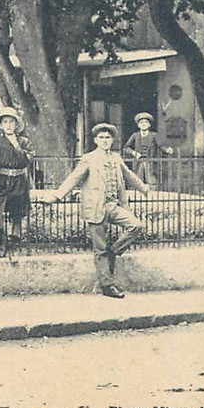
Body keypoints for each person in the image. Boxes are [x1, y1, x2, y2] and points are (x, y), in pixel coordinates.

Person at [49, 123, 150, 299]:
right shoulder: (88, 158)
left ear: (112, 140)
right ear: (96, 140)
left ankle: (114, 251)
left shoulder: (117, 158)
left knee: (136, 226)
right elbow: (74, 178)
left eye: (108, 137)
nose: (105, 140)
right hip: (95, 206)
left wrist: (144, 188)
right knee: (99, 248)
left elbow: (129, 175)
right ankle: (107, 286)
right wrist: (57, 196)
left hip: (113, 205)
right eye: (101, 137)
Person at [0, 107, 33, 258]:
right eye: (5, 122)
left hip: (19, 179)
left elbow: (26, 160)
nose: (8, 125)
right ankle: (1, 239)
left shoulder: (24, 142)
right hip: (1, 180)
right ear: (0, 125)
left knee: (17, 212)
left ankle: (14, 241)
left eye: (11, 122)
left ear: (16, 125)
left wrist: (16, 146)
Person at [123, 112, 173, 187]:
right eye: (141, 122)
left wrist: (167, 150)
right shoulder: (135, 135)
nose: (143, 124)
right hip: (138, 162)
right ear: (138, 125)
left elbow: (160, 146)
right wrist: (133, 153)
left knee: (152, 182)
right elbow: (126, 148)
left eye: (146, 122)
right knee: (137, 181)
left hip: (150, 162)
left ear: (149, 125)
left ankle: (152, 195)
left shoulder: (153, 135)